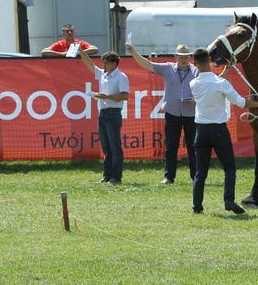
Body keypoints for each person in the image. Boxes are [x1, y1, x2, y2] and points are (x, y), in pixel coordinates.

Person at [189, 48, 258, 215]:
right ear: (209, 61)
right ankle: (228, 200)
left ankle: (197, 206)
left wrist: (225, 72)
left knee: (200, 171)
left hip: (201, 130)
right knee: (229, 168)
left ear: (194, 64)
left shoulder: (193, 84)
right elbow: (240, 102)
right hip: (218, 130)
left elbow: (211, 84)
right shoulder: (221, 83)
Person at [127, 42, 198, 184]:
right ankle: (169, 177)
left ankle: (195, 176)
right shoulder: (167, 68)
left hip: (191, 114)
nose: (184, 59)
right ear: (175, 57)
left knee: (193, 146)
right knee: (171, 146)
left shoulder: (197, 71)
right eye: (181, 56)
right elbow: (147, 65)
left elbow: (208, 83)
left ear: (190, 57)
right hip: (172, 113)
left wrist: (196, 100)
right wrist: (133, 52)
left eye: (186, 56)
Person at [78, 48, 129, 184]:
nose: (103, 65)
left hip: (113, 113)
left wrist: (107, 96)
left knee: (115, 147)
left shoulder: (121, 76)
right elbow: (89, 64)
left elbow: (125, 95)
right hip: (103, 113)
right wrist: (80, 50)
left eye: (106, 62)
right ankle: (107, 176)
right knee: (106, 148)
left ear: (113, 63)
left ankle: (116, 177)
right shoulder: (103, 74)